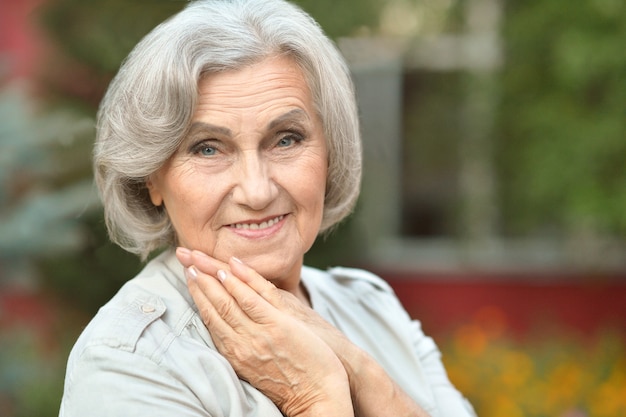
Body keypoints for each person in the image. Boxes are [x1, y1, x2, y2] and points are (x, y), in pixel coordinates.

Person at [59, 0, 476, 416]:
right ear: (152, 178)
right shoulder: (127, 364)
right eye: (208, 148)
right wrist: (311, 396)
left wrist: (365, 375)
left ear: (331, 150)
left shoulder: (372, 307)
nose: (257, 192)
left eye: (286, 139)